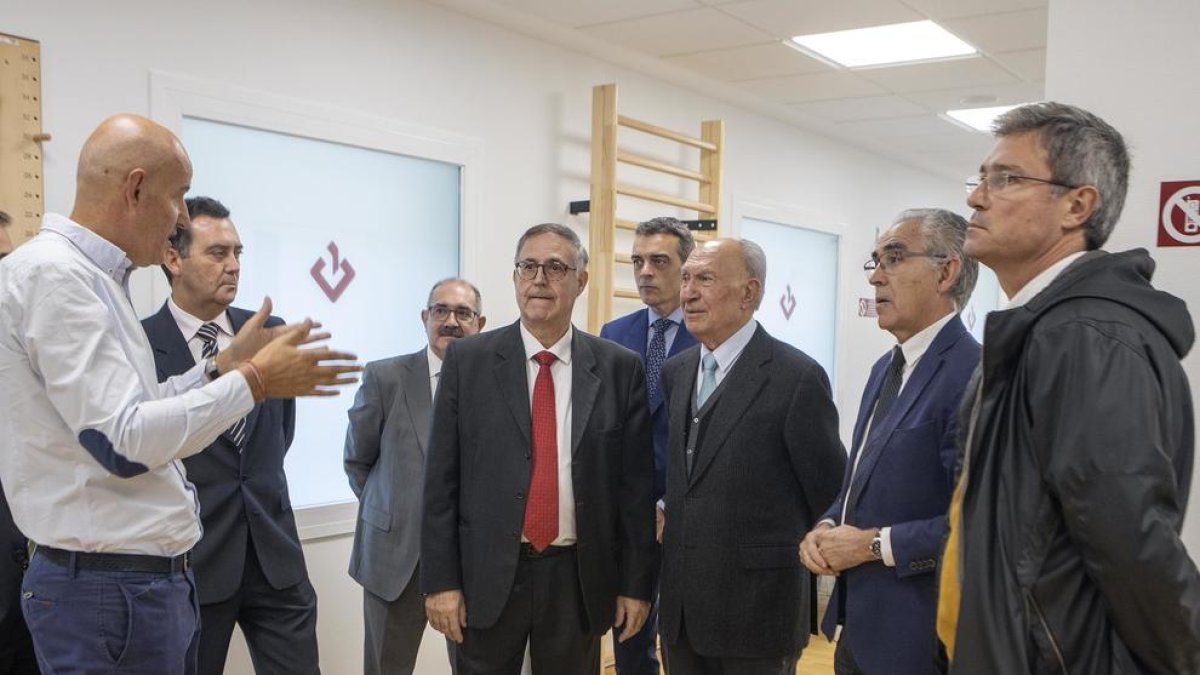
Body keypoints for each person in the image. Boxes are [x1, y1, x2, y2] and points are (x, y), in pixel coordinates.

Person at [0, 114, 360, 675]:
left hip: (130, 587)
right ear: (136, 188)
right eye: (179, 197)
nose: (182, 218)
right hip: (108, 594)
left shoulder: (93, 280)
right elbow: (122, 442)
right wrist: (253, 381)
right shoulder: (58, 277)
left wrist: (220, 369)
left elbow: (139, 411)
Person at [938, 101, 1200, 674]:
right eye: (979, 179)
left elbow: (1132, 541)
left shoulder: (1083, 338)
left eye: (1005, 179)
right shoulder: (1036, 326)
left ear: (1077, 205)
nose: (976, 198)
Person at [422, 223, 657, 674]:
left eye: (555, 267)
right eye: (528, 266)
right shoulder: (468, 363)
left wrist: (635, 584)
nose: (539, 279)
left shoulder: (617, 369)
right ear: (514, 279)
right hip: (486, 578)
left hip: (578, 579)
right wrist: (441, 582)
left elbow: (634, 492)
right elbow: (439, 482)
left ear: (580, 281)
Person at [141, 196, 320, 675]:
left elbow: (279, 436)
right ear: (173, 258)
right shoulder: (140, 344)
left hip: (276, 556)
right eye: (218, 254)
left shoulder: (270, 332)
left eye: (238, 253)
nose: (234, 266)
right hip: (196, 561)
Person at [800, 209, 979, 675]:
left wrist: (872, 545)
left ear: (947, 271)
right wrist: (826, 525)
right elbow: (861, 482)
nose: (876, 277)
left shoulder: (975, 374)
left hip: (923, 636)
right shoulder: (886, 367)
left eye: (894, 259)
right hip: (858, 627)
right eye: (874, 261)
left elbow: (979, 524)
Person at [658, 238, 845, 674]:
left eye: (704, 278)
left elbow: (829, 493)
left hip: (759, 614)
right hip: (683, 613)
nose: (687, 292)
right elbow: (694, 469)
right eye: (686, 279)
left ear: (750, 292)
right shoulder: (678, 372)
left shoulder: (796, 378)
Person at [345, 277, 486, 675]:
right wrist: (394, 510)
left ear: (481, 323)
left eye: (463, 313)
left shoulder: (494, 387)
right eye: (440, 310)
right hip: (394, 561)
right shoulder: (384, 377)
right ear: (425, 317)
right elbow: (358, 460)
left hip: (469, 564)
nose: (451, 321)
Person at [599, 216, 697, 675]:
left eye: (659, 261)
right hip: (628, 517)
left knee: (683, 641)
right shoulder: (613, 335)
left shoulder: (711, 337)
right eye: (637, 261)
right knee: (630, 636)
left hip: (687, 515)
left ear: (687, 266)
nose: (644, 272)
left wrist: (667, 502)